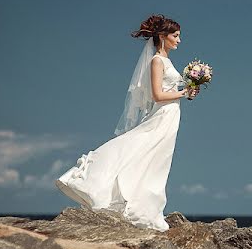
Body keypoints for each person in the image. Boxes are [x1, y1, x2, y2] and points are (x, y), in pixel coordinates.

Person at [54, 15, 199, 231]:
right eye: (175, 35)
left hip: (171, 117)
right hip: (162, 115)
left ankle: (147, 208)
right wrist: (183, 92)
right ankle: (131, 204)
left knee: (157, 160)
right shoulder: (157, 61)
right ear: (162, 36)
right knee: (144, 153)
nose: (179, 40)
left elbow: (170, 92)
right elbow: (158, 95)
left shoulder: (167, 61)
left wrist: (186, 91)